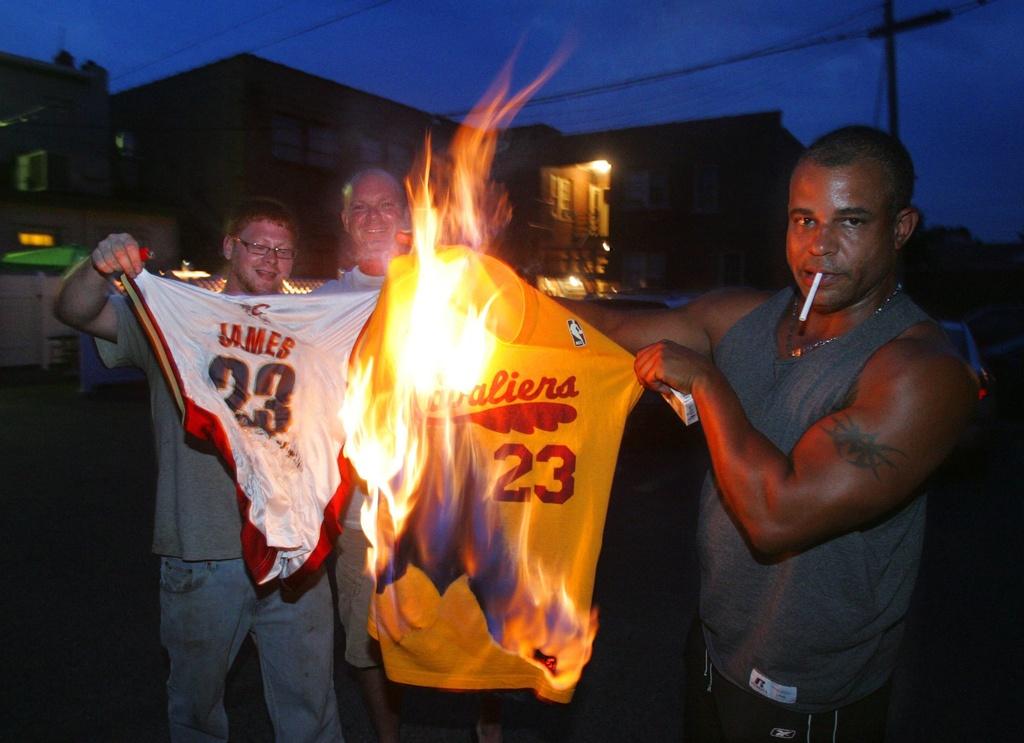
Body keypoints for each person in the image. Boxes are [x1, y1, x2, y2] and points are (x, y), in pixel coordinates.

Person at [565, 126, 977, 741]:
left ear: (900, 229)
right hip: (714, 642)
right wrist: (499, 294)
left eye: (851, 222)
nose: (820, 247)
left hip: (808, 687)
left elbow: (776, 516)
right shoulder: (743, 317)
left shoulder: (920, 372)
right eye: (804, 220)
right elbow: (614, 323)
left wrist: (707, 381)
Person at [54, 198, 343, 743]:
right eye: (257, 244)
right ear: (229, 247)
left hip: (295, 548)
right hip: (202, 548)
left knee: (312, 705)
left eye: (283, 250)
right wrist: (98, 267)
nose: (271, 259)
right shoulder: (174, 315)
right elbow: (74, 311)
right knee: (196, 710)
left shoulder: (313, 331)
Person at [319, 168, 503, 743]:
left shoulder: (442, 286)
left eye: (385, 207)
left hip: (444, 498)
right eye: (360, 210)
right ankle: (388, 738)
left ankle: (488, 731)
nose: (374, 219)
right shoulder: (321, 305)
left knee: (473, 622)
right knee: (365, 636)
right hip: (359, 508)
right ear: (346, 224)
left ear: (405, 218)